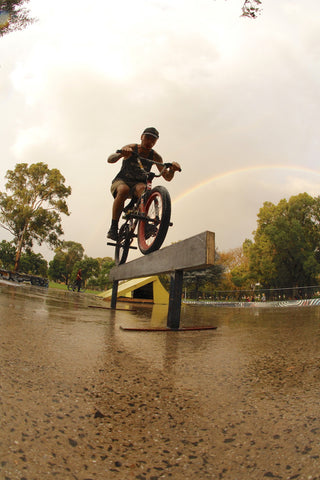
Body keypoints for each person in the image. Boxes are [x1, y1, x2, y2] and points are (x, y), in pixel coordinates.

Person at [106, 127, 181, 241]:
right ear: (141, 137)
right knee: (124, 189)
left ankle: (144, 223)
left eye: (153, 140)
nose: (149, 142)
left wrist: (173, 170)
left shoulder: (156, 156)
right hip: (121, 181)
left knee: (143, 189)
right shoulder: (132, 148)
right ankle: (113, 227)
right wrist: (122, 153)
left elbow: (167, 177)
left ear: (156, 142)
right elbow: (110, 159)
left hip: (138, 185)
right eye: (147, 138)